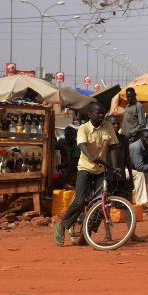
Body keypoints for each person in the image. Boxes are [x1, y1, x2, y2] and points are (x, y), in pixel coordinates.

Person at [54, 102, 120, 246]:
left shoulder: (108, 127)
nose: (102, 115)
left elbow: (114, 147)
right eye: (98, 113)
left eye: (103, 113)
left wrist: (115, 167)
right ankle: (62, 225)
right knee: (80, 201)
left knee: (100, 202)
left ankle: (87, 232)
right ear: (90, 115)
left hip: (100, 169)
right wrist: (91, 157)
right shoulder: (83, 128)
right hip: (85, 168)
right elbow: (82, 145)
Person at [107, 115, 144, 241]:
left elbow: (127, 159)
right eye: (113, 124)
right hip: (108, 178)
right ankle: (108, 234)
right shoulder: (104, 139)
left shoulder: (123, 139)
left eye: (118, 123)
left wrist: (130, 178)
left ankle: (131, 233)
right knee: (105, 207)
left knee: (127, 207)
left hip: (121, 177)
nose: (116, 126)